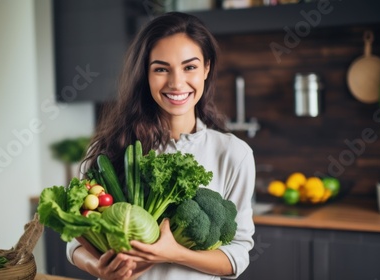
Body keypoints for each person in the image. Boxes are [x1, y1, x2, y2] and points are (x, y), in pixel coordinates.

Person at [66, 12, 255, 280]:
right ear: (145, 73)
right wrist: (98, 268)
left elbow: (237, 254)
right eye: (161, 69)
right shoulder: (109, 147)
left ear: (207, 68)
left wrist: (174, 253)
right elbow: (75, 239)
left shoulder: (234, 154)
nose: (176, 83)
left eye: (189, 67)